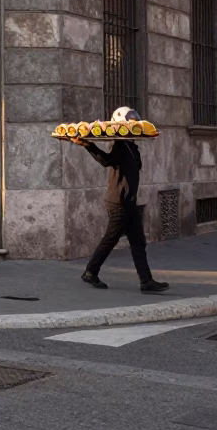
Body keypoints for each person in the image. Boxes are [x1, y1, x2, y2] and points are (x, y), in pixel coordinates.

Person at [70, 106, 169, 294]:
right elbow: (107, 161)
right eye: (130, 118)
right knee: (111, 238)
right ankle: (90, 272)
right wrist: (88, 145)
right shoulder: (120, 145)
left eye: (135, 118)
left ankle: (146, 282)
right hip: (118, 202)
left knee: (138, 241)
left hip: (129, 201)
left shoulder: (131, 146)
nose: (134, 121)